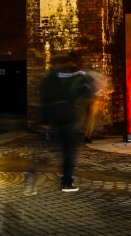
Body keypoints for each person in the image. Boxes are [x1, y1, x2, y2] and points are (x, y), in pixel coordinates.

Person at [39, 54, 93, 192]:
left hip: (56, 118)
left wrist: (45, 120)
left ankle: (36, 176)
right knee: (69, 152)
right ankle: (67, 182)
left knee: (61, 151)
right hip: (69, 118)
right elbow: (86, 93)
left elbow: (44, 99)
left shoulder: (50, 78)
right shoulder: (75, 76)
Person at [82, 67, 110, 143]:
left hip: (84, 99)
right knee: (91, 119)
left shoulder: (84, 74)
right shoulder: (99, 76)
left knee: (85, 117)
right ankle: (87, 136)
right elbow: (103, 87)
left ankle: (82, 131)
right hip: (94, 99)